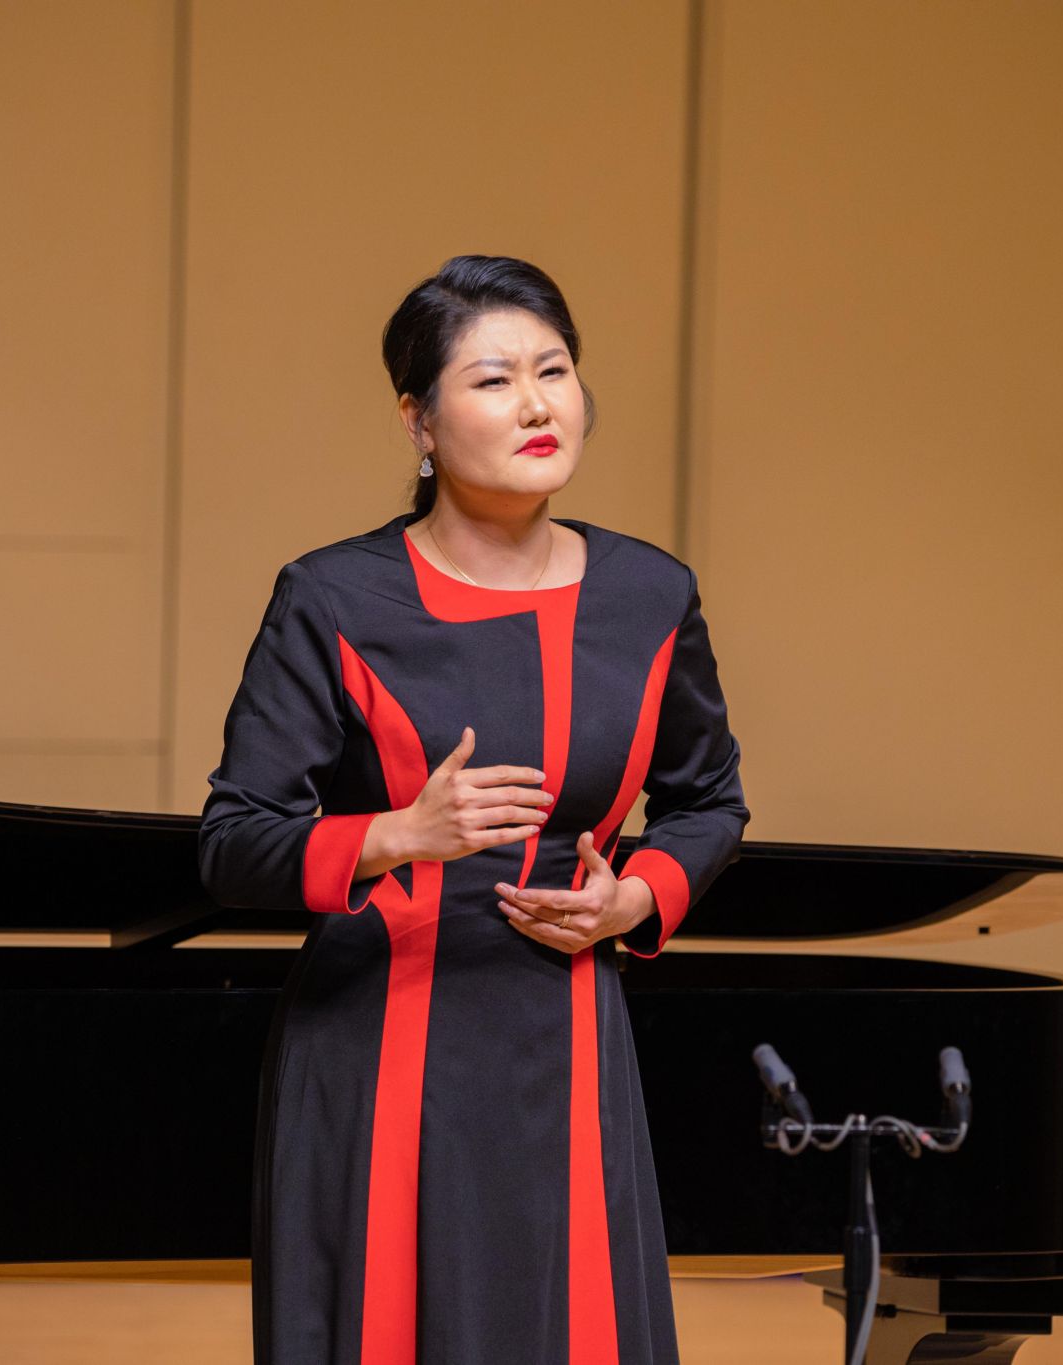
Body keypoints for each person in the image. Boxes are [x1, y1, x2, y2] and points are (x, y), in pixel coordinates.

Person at [199, 254, 749, 1365]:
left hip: (571, 1041)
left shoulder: (651, 595)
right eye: (494, 380)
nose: (538, 404)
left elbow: (708, 802)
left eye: (554, 371)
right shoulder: (333, 596)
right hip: (379, 1047)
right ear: (418, 421)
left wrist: (632, 900)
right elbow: (232, 842)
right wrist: (398, 834)